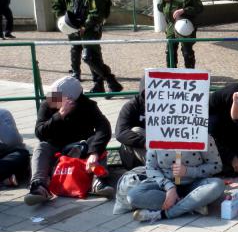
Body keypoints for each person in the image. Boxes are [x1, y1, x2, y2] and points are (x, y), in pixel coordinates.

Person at [25, 76, 113, 205]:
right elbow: (40, 132)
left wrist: (94, 153)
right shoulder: (47, 105)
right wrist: (60, 115)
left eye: (57, 95)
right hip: (55, 146)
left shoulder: (87, 105)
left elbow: (104, 128)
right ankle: (39, 186)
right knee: (42, 147)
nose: (52, 98)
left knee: (98, 145)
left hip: (81, 147)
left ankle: (99, 181)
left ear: (71, 99)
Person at [52, 0, 122, 93]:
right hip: (76, 28)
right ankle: (99, 85)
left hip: (90, 30)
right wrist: (65, 18)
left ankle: (112, 82)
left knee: (89, 57)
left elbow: (96, 14)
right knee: (93, 58)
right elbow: (57, 3)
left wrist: (85, 26)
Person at [127, 136, 224, 222]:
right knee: (133, 195)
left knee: (218, 185)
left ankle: (163, 214)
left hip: (195, 184)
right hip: (165, 187)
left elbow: (216, 165)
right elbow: (151, 168)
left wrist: (188, 171)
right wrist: (169, 187)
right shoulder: (156, 135)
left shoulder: (202, 136)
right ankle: (192, 205)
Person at [158, 0, 204, 68]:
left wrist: (184, 10)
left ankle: (189, 72)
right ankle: (171, 72)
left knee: (187, 50)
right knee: (170, 50)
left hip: (185, 25)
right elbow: (159, 7)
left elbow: (199, 8)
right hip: (171, 25)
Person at [115, 78, 147, 169]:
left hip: (161, 148)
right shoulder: (131, 106)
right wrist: (145, 143)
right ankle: (155, 169)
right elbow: (120, 133)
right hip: (140, 149)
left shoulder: (167, 104)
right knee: (136, 131)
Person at [0, 108, 28, 187]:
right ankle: (8, 177)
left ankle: (7, 177)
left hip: (7, 152)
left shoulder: (3, 113)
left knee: (23, 154)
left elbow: (13, 141)